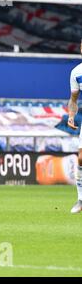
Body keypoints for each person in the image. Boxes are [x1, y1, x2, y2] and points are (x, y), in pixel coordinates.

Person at [67, 40, 82, 214]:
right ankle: (80, 199)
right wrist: (71, 115)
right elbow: (73, 100)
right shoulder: (77, 72)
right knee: (80, 158)